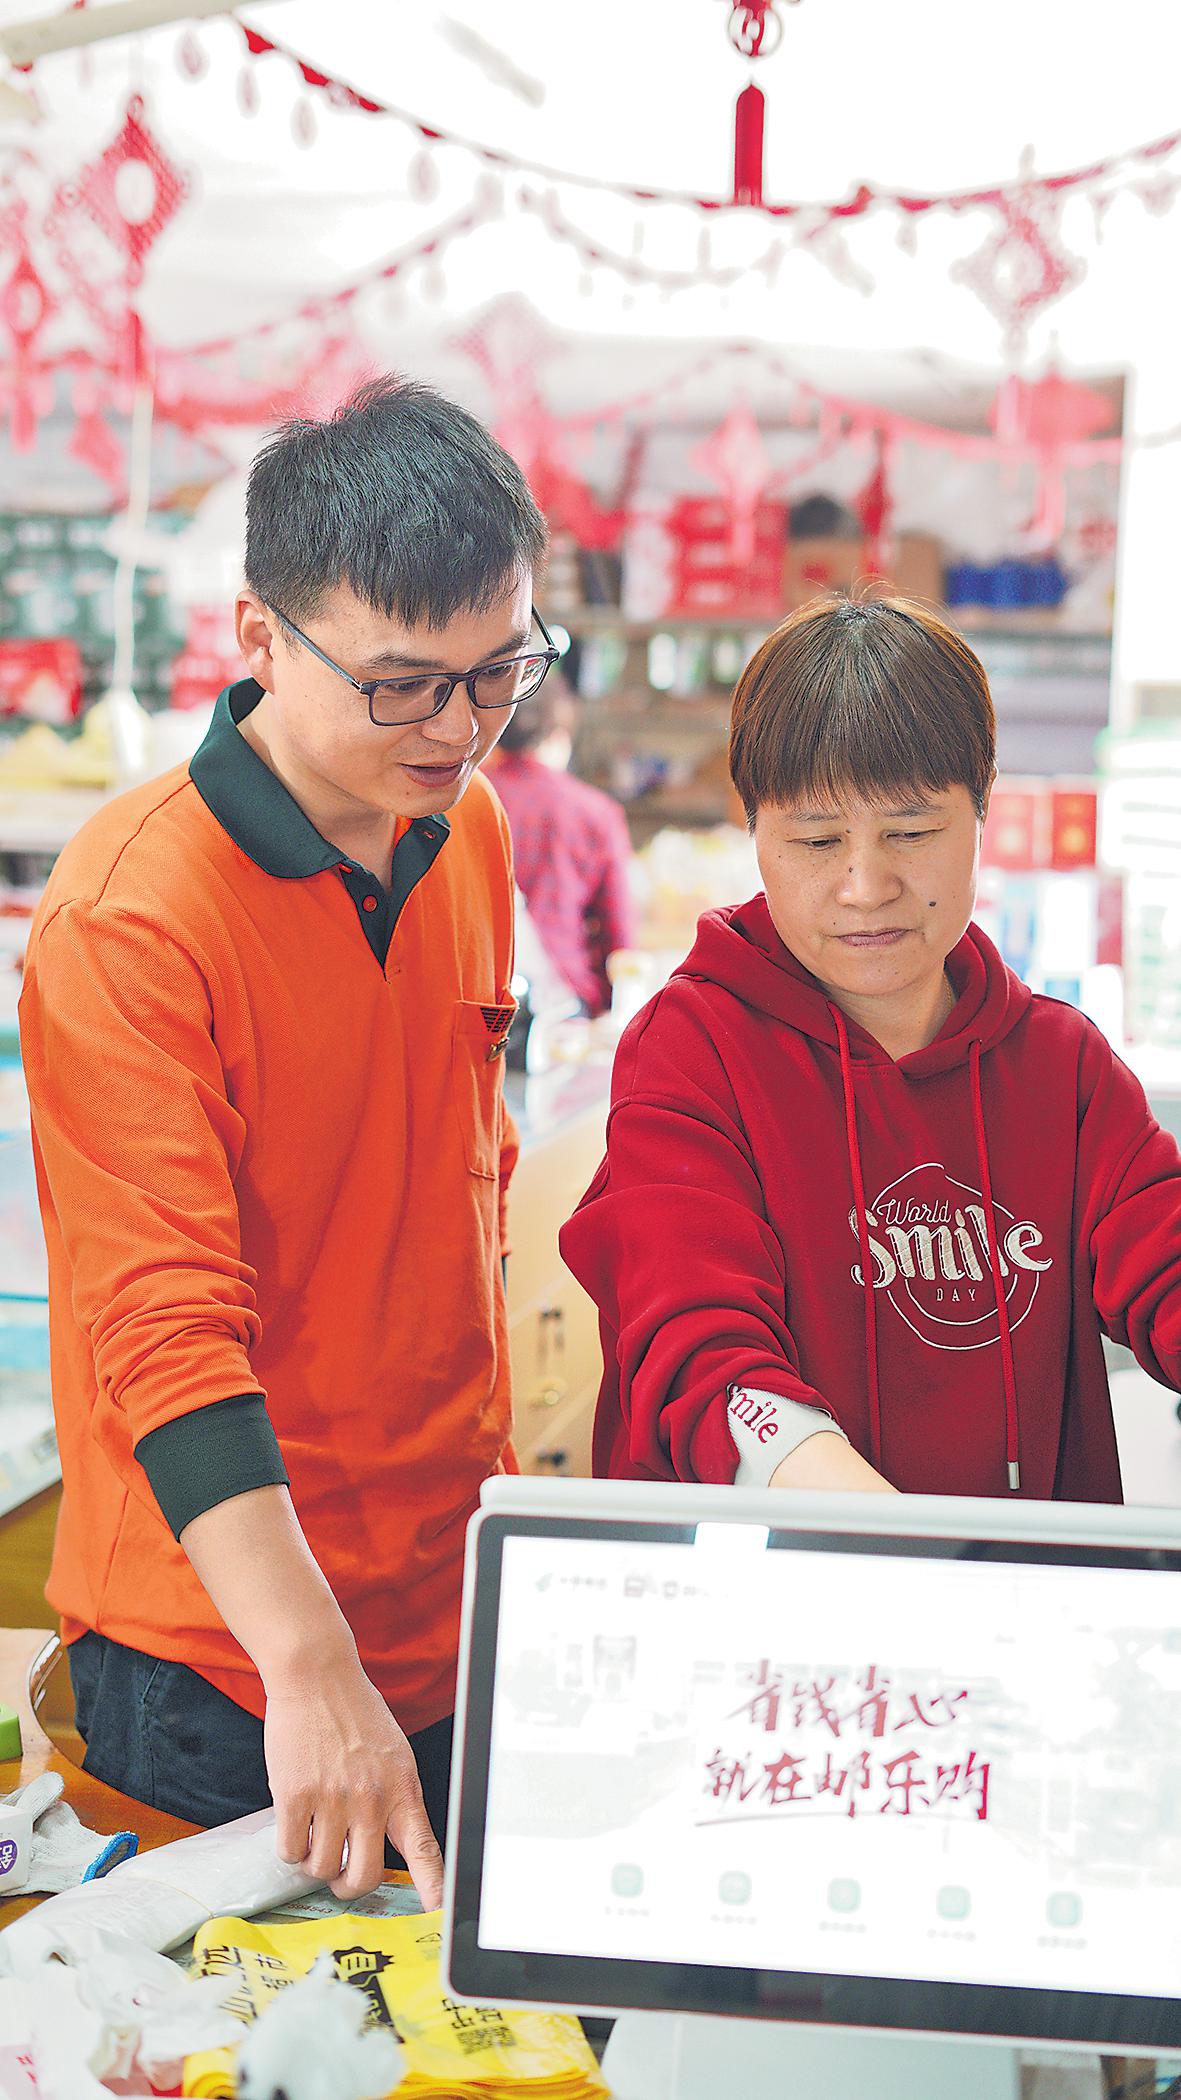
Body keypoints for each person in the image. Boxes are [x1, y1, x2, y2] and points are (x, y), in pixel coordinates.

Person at [18, 377, 556, 1904]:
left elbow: (463, 1180)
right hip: (226, 1657)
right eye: (400, 684)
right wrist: (309, 1665)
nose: (456, 727)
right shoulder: (131, 916)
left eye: (497, 671)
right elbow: (162, 1329)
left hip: (443, 1603)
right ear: (259, 638)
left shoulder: (466, 827)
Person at [560, 595, 1181, 1501]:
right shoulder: (693, 1049)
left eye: (910, 832)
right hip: (766, 1572)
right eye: (816, 840)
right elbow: (697, 1345)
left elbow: (1163, 1259)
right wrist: (891, 1543)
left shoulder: (1061, 1064)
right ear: (753, 830)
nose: (864, 886)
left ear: (982, 812)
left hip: (1016, 1580)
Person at [487, 676, 635, 1016]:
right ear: (558, 735)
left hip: (474, 991)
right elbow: (618, 933)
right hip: (564, 996)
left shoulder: (465, 800)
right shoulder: (593, 811)